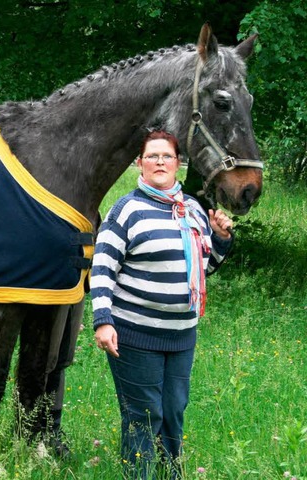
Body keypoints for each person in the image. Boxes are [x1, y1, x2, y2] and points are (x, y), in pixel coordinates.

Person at [91, 131, 233, 478]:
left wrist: (221, 239)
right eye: (151, 156)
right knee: (143, 415)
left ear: (177, 163)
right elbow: (102, 267)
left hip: (181, 336)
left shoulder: (193, 211)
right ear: (139, 164)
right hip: (135, 335)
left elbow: (202, 270)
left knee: (173, 412)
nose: (159, 162)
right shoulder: (127, 209)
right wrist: (103, 319)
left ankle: (171, 475)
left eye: (166, 156)